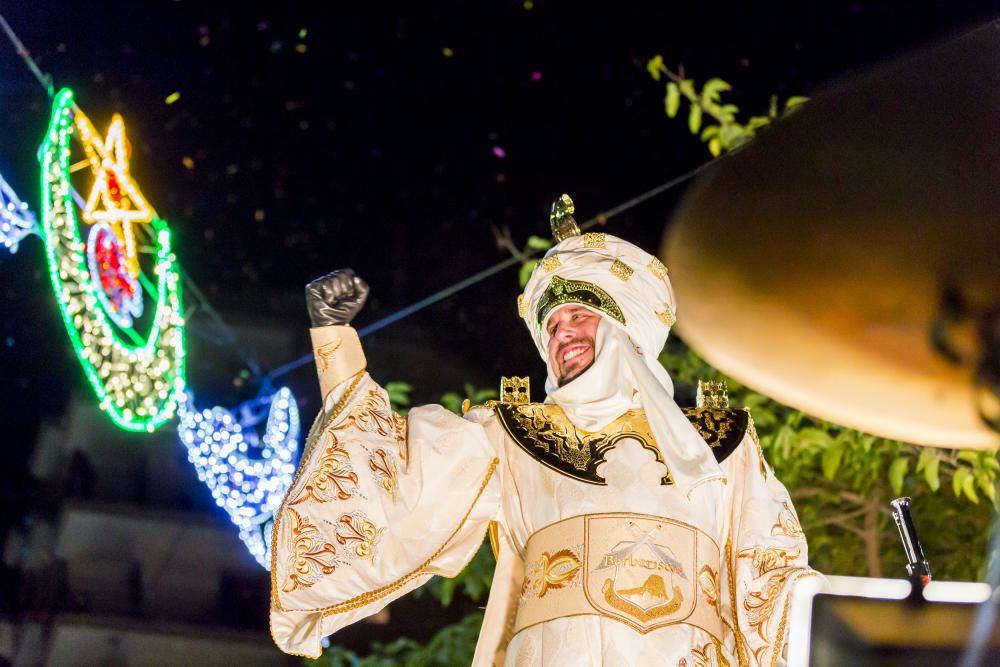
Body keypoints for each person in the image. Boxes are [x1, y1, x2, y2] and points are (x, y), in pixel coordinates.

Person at [269, 195, 817, 666]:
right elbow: (393, 482)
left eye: (580, 314)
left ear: (628, 324)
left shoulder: (723, 445)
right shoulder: (513, 434)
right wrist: (334, 338)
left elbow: (777, 583)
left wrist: (889, 609)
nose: (562, 332)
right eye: (551, 325)